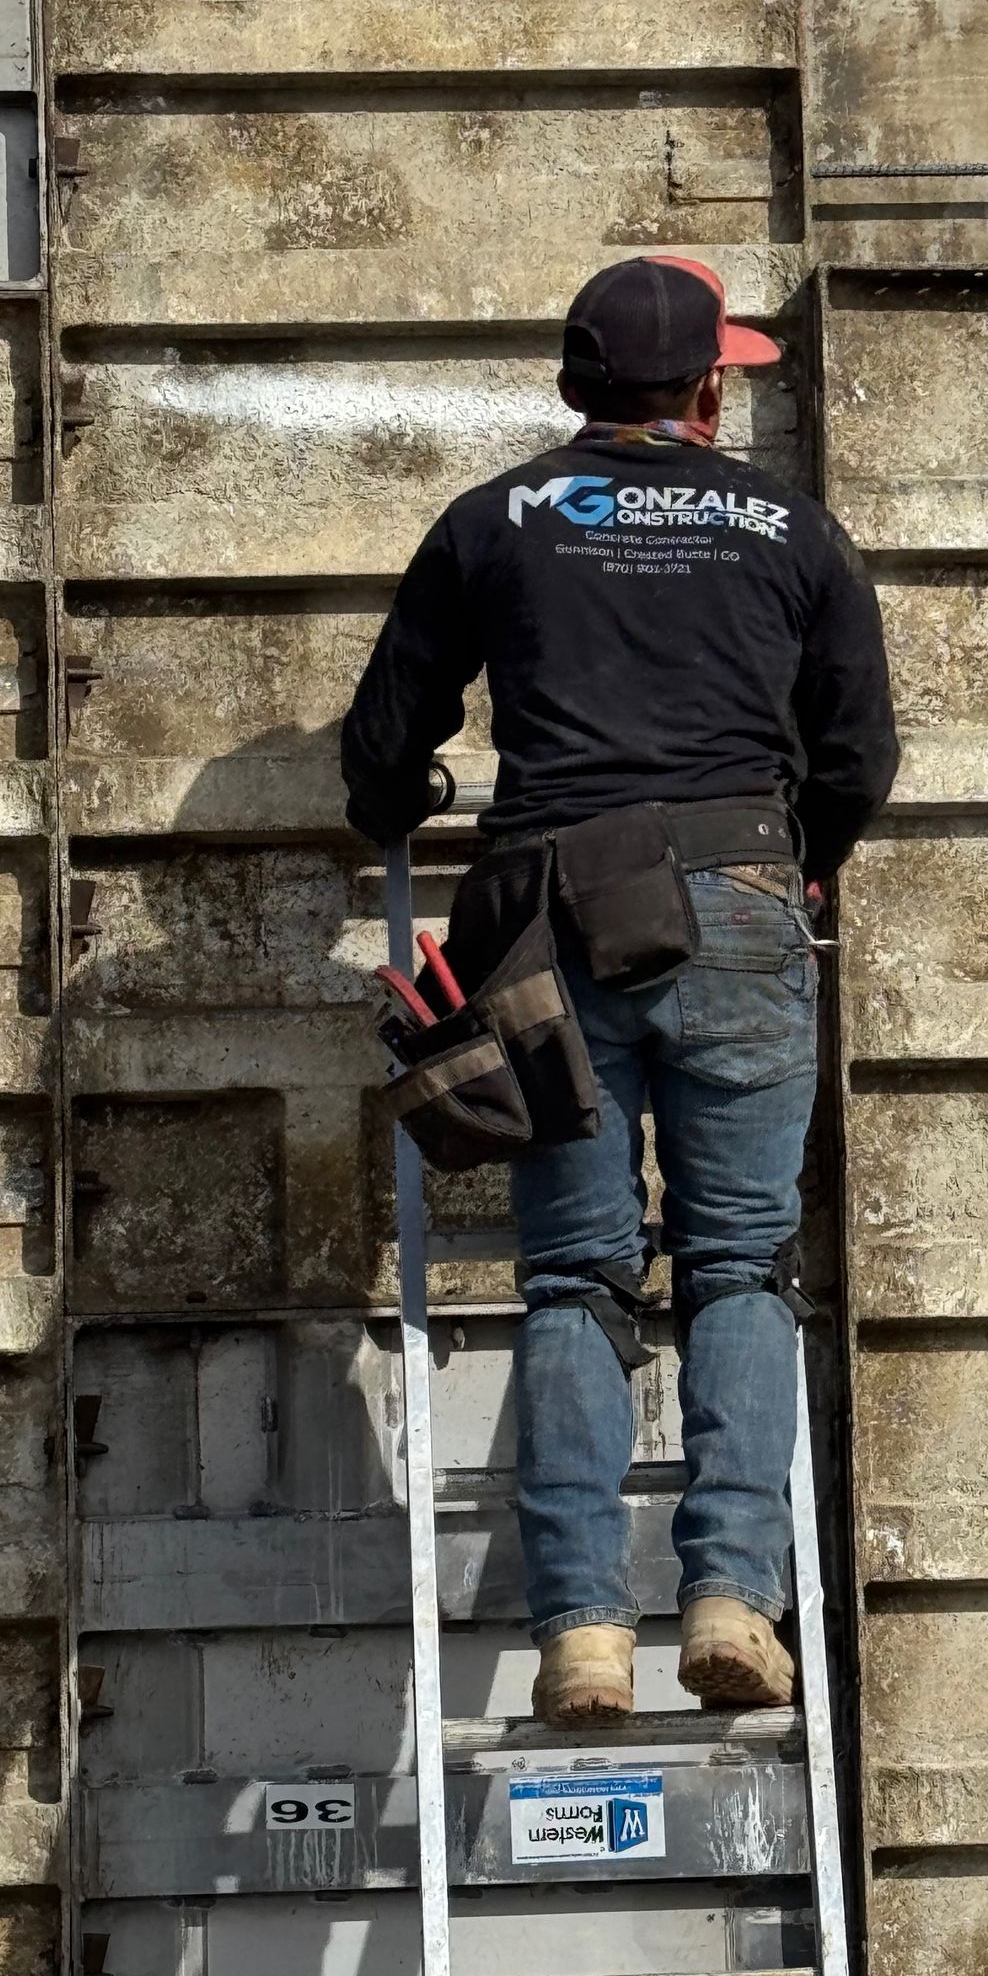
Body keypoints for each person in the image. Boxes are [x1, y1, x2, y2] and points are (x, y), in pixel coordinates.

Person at [340, 255, 898, 1724]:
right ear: (712, 385)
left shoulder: (493, 523)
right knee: (739, 1265)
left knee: (576, 1276)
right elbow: (860, 757)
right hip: (744, 900)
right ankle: (730, 1595)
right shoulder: (794, 528)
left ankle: (584, 1632)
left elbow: (384, 739)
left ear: (576, 386)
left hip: (549, 931)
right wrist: (798, 865)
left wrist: (400, 797)